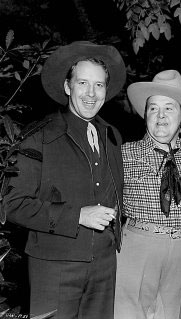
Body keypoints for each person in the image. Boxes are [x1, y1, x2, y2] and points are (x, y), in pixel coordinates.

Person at [4, 41, 126, 318]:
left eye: (99, 85)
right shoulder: (40, 136)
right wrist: (77, 216)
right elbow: (12, 203)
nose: (91, 94)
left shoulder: (112, 137)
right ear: (68, 87)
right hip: (53, 265)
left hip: (104, 266)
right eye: (83, 83)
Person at [114, 69, 181, 319]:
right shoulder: (124, 154)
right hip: (138, 246)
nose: (161, 116)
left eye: (169, 108)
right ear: (145, 115)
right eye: (153, 108)